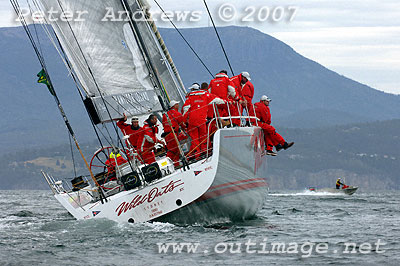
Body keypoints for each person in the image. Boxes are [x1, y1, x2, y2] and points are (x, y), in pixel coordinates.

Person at [183, 83, 225, 160]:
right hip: (202, 120)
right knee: (203, 136)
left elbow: (186, 108)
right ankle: (205, 152)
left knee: (195, 138)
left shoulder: (190, 97)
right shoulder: (206, 95)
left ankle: (197, 155)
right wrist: (226, 101)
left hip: (192, 121)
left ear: (192, 89)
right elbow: (218, 100)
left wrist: (184, 120)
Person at [162, 100, 188, 167]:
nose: (178, 105)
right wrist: (186, 129)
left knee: (172, 150)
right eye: (177, 104)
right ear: (174, 106)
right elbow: (182, 123)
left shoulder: (165, 115)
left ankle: (171, 164)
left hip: (167, 136)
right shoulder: (177, 114)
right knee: (175, 150)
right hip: (173, 134)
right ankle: (171, 164)